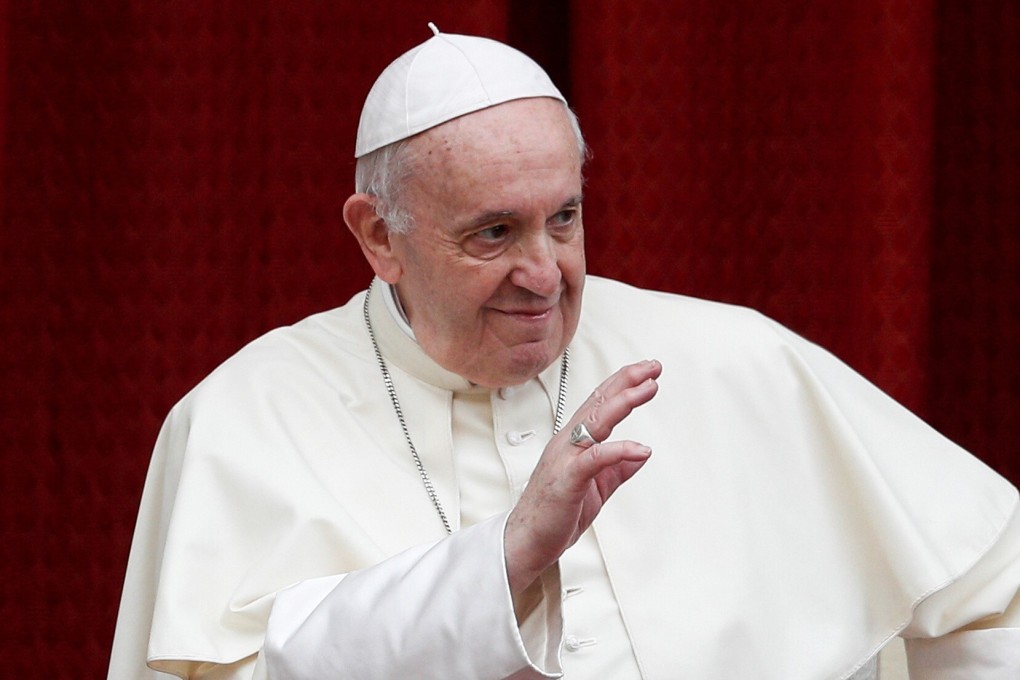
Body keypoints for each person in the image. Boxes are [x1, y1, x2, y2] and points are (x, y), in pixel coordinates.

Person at [108, 25, 1020, 680]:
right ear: (380, 236)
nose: (544, 275)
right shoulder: (243, 418)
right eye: (494, 232)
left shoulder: (739, 360)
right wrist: (501, 564)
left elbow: (993, 583)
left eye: (565, 218)